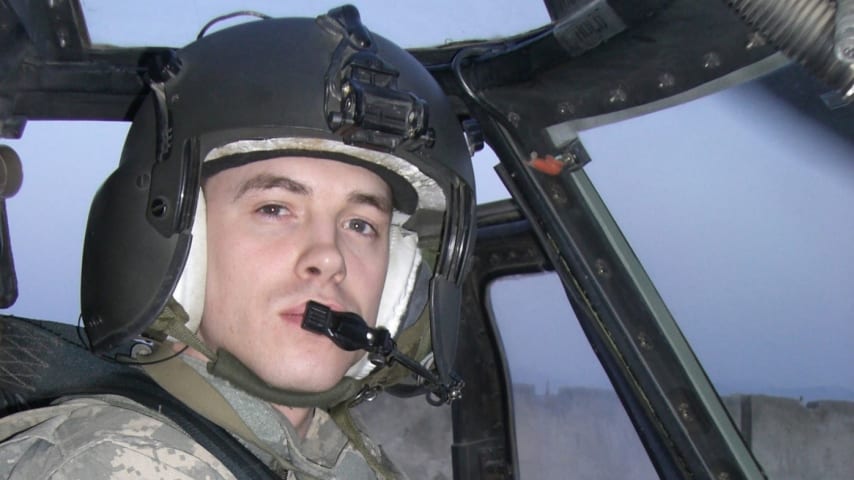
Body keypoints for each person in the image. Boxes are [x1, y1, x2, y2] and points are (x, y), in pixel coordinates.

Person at [0, 5, 478, 479]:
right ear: (184, 252)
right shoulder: (118, 465)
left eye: (360, 225)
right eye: (274, 209)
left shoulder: (332, 456)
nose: (329, 258)